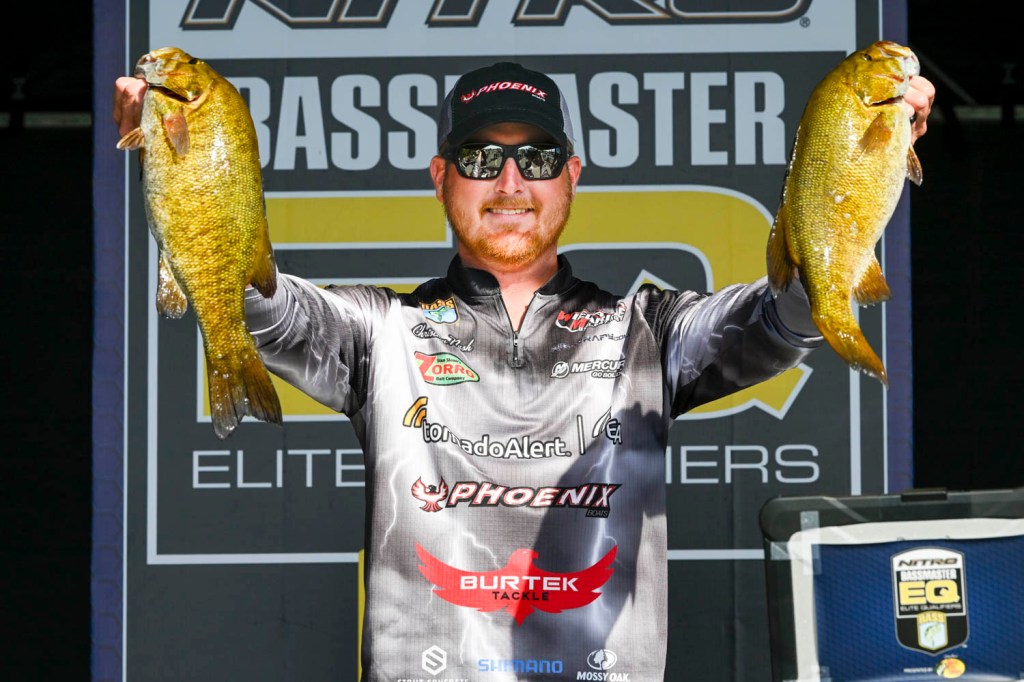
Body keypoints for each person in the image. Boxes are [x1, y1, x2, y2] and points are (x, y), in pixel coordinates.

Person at [114, 60, 935, 681]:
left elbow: (792, 313)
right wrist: (178, 159)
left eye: (538, 159)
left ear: (571, 177)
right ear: (441, 177)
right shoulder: (379, 332)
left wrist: (861, 164)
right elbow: (254, 303)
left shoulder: (648, 332)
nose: (511, 183)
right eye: (481, 157)